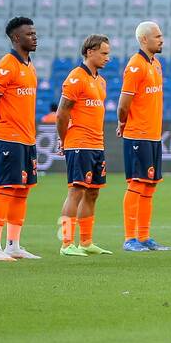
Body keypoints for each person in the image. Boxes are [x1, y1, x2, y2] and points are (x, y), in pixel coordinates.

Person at [0, 16, 42, 261]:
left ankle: (13, 244)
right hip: (9, 137)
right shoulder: (8, 64)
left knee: (22, 190)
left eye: (35, 33)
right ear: (16, 38)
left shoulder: (29, 65)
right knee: (4, 189)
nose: (34, 37)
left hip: (26, 138)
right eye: (29, 34)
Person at [118, 21, 171, 252]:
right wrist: (123, 123)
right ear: (143, 40)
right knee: (137, 184)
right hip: (138, 134)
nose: (161, 39)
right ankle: (130, 238)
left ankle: (144, 236)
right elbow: (123, 104)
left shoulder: (156, 64)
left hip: (153, 135)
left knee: (150, 185)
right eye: (157, 36)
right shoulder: (135, 66)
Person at [57, 34, 113, 256]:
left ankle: (86, 242)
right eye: (104, 53)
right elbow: (62, 113)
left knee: (92, 193)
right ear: (90, 52)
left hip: (96, 144)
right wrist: (65, 141)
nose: (108, 58)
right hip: (79, 143)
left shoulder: (100, 80)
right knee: (76, 191)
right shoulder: (76, 78)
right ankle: (66, 244)